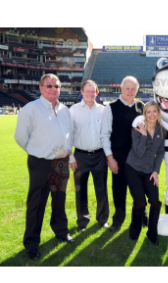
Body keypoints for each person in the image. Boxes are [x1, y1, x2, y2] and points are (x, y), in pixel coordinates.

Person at [14, 74, 74, 261]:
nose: (53, 89)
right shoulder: (31, 109)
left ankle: (61, 231)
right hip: (40, 163)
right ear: (40, 88)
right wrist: (35, 151)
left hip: (61, 163)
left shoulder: (65, 110)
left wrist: (69, 155)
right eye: (48, 86)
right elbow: (20, 137)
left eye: (56, 86)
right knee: (36, 204)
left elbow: (68, 135)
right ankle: (31, 244)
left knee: (59, 200)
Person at [101, 76, 145, 231]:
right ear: (121, 89)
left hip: (138, 156)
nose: (130, 91)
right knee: (119, 189)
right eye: (127, 88)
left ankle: (142, 216)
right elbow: (104, 135)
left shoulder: (142, 107)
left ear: (137, 90)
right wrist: (110, 158)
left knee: (140, 188)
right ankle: (118, 220)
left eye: (133, 88)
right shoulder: (110, 107)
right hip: (119, 156)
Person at [69, 80, 109, 232]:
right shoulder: (73, 110)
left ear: (97, 93)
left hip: (100, 155)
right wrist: (70, 157)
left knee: (102, 189)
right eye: (88, 91)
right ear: (82, 92)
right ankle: (82, 222)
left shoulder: (104, 110)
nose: (90, 94)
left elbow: (108, 134)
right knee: (81, 190)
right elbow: (68, 134)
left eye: (93, 91)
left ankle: (102, 219)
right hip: (80, 155)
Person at [125, 102, 165, 246]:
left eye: (155, 111)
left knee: (155, 202)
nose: (152, 114)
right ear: (144, 114)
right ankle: (135, 231)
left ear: (158, 114)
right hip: (133, 169)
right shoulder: (137, 129)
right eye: (149, 112)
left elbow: (160, 152)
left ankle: (152, 233)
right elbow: (139, 152)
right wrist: (143, 135)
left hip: (149, 170)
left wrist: (156, 171)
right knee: (140, 202)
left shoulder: (161, 130)